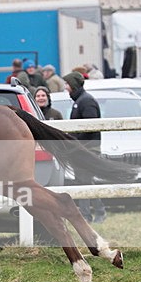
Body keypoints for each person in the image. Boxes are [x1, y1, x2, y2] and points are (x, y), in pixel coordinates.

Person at [64, 71, 106, 223]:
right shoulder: (79, 101)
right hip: (81, 149)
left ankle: (88, 215)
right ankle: (94, 212)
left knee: (83, 181)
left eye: (67, 84)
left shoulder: (86, 101)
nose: (65, 87)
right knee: (84, 181)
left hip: (88, 149)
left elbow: (90, 127)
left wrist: (75, 142)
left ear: (73, 85)